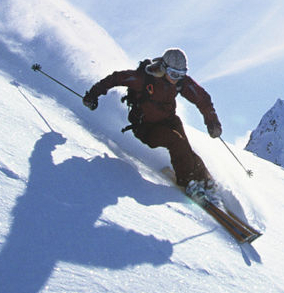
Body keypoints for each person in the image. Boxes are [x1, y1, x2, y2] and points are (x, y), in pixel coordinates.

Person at [82, 48, 223, 199]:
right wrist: (92, 95)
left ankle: (205, 181)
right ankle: (189, 183)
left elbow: (202, 98)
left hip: (169, 121)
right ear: (164, 68)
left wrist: (212, 122)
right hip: (146, 128)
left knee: (184, 147)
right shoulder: (143, 79)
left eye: (181, 75)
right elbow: (116, 78)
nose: (176, 79)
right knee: (176, 141)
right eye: (174, 74)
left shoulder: (179, 82)